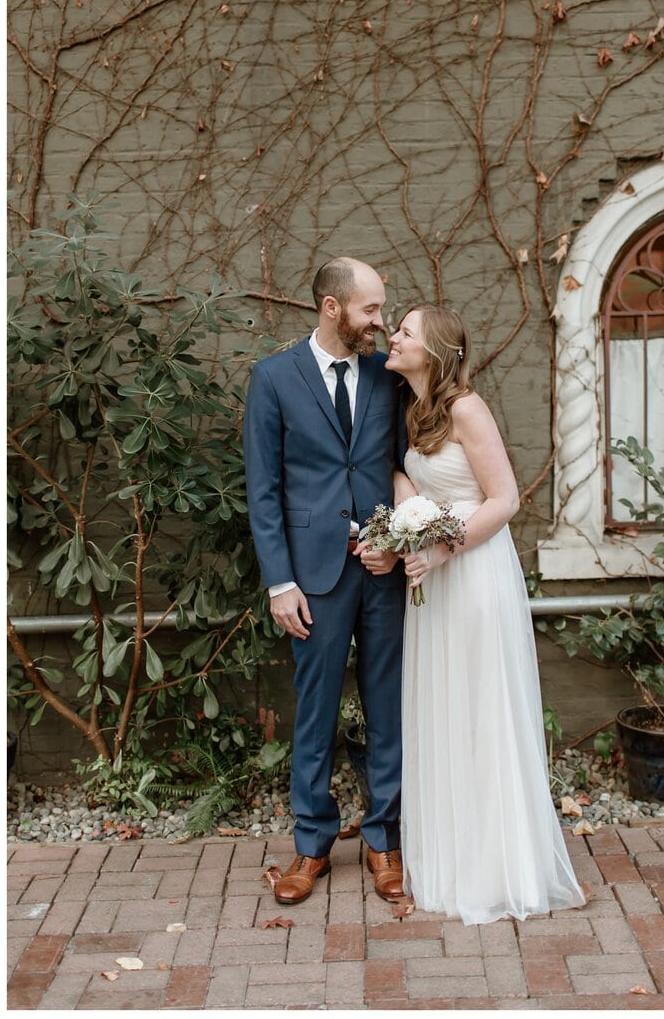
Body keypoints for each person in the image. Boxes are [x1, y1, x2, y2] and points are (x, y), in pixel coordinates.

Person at [386, 303, 586, 925]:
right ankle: (448, 858)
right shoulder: (414, 409)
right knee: (441, 709)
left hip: (473, 574)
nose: (393, 337)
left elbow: (504, 499)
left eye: (405, 332)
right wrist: (407, 522)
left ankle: (497, 867)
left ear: (435, 351)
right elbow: (406, 474)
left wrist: (442, 549)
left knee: (480, 709)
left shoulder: (466, 408)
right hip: (433, 580)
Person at [243, 257, 408, 905]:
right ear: (332, 307)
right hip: (311, 579)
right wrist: (279, 582)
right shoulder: (273, 379)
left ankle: (382, 839)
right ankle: (310, 845)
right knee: (313, 713)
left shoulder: (384, 375)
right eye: (370, 310)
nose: (380, 322)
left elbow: (403, 465)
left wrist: (396, 544)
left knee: (386, 706)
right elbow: (263, 491)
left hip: (382, 571)